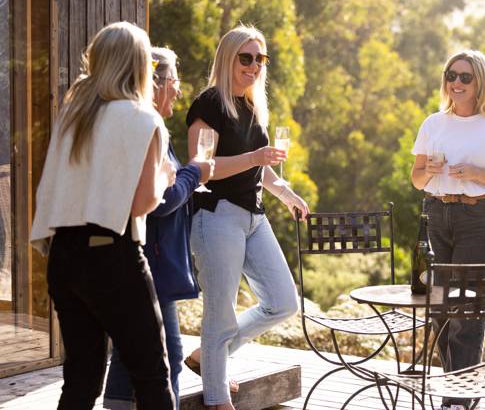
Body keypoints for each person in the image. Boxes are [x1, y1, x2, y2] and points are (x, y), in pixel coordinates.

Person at [30, 22, 176, 409]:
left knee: (80, 379)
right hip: (112, 254)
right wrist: (165, 176)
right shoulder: (143, 120)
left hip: (64, 256)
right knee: (151, 376)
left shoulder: (73, 117)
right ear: (140, 66)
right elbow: (143, 203)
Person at [183, 25, 309, 410]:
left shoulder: (253, 107)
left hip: (254, 217)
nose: (254, 65)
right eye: (246, 57)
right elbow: (202, 167)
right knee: (220, 312)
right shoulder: (208, 104)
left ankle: (209, 359)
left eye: (261, 59)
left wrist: (286, 194)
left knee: (284, 301)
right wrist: (255, 159)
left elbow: (261, 168)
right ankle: (218, 398)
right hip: (216, 215)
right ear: (228, 58)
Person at [103, 47, 214, 409]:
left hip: (139, 257)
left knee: (125, 351)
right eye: (175, 82)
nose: (179, 92)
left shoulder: (137, 125)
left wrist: (187, 176)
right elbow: (163, 202)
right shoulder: (147, 129)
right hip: (149, 260)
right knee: (170, 351)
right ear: (157, 82)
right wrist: (195, 171)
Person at [411, 49, 485, 410]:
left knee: (468, 310)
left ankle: (458, 401)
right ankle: (455, 390)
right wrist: (428, 169)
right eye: (451, 75)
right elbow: (416, 180)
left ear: (480, 83)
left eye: (465, 77)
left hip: (478, 218)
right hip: (436, 213)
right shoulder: (432, 123)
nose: (455, 83)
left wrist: (474, 173)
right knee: (438, 308)